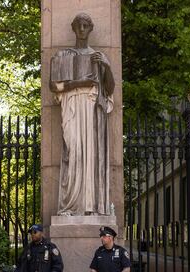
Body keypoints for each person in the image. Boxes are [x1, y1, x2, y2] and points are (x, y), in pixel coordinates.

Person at [49, 12, 115, 216]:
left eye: (86, 25)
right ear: (73, 28)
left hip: (91, 105)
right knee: (73, 150)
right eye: (79, 25)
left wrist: (106, 65)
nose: (83, 28)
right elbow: (53, 85)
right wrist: (80, 83)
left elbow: (110, 88)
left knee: (91, 155)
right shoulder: (63, 55)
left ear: (91, 28)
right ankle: (70, 204)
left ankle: (90, 205)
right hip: (71, 104)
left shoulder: (98, 57)